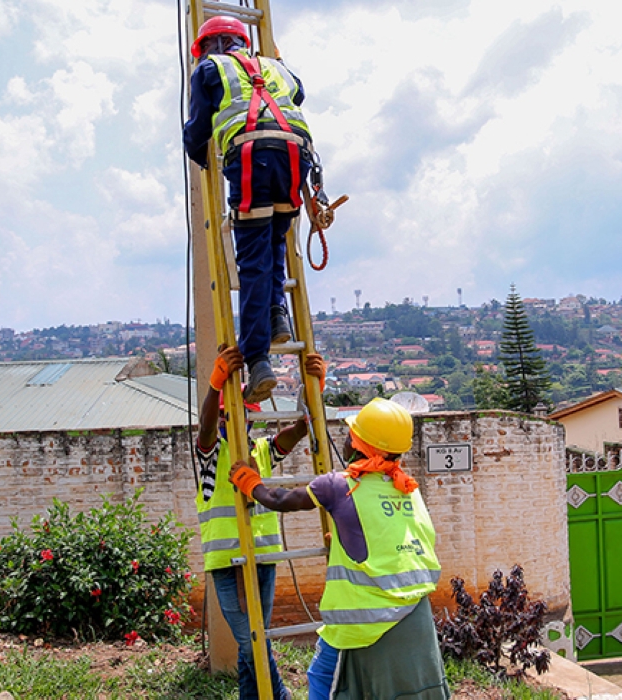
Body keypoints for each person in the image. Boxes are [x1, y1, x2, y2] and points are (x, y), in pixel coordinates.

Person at [229, 398, 449, 700]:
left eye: (350, 434)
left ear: (360, 444)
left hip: (360, 623)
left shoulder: (338, 486)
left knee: (322, 680)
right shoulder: (408, 490)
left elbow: (281, 501)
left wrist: (251, 484)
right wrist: (345, 545)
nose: (344, 440)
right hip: (415, 615)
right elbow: (392, 542)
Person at [183, 15, 314, 403]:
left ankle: (257, 359)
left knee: (253, 257)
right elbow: (297, 96)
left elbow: (196, 132)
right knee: (275, 234)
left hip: (251, 157)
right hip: (295, 155)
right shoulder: (276, 67)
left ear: (210, 46)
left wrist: (202, 157)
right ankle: (276, 313)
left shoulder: (209, 68)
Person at [196, 345, 325, 700]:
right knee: (252, 640)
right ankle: (279, 696)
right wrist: (214, 386)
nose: (240, 424)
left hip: (264, 560)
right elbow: (205, 428)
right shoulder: (212, 455)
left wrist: (314, 396)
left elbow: (294, 435)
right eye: (231, 417)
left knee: (252, 642)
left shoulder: (260, 453)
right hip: (228, 563)